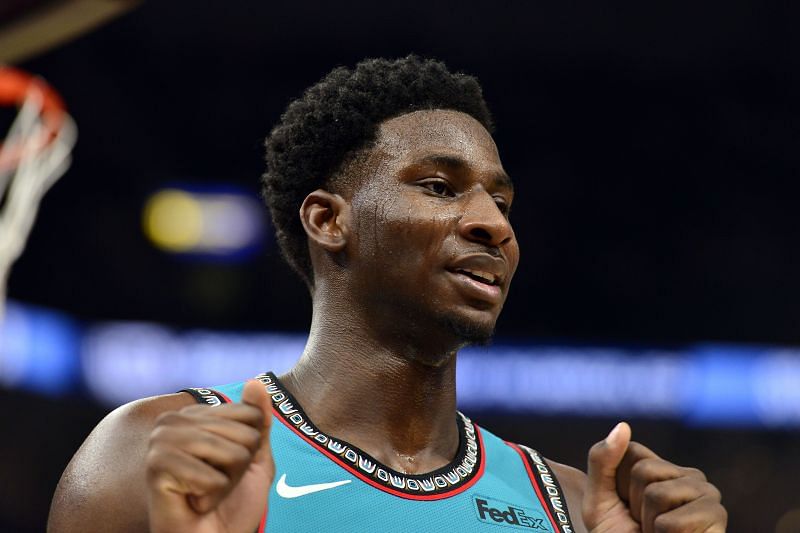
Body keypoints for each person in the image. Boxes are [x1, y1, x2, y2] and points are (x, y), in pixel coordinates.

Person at [48, 56, 727, 532]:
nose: (494, 222)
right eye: (439, 185)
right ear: (328, 219)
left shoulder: (577, 508)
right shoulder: (147, 450)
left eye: (501, 198)